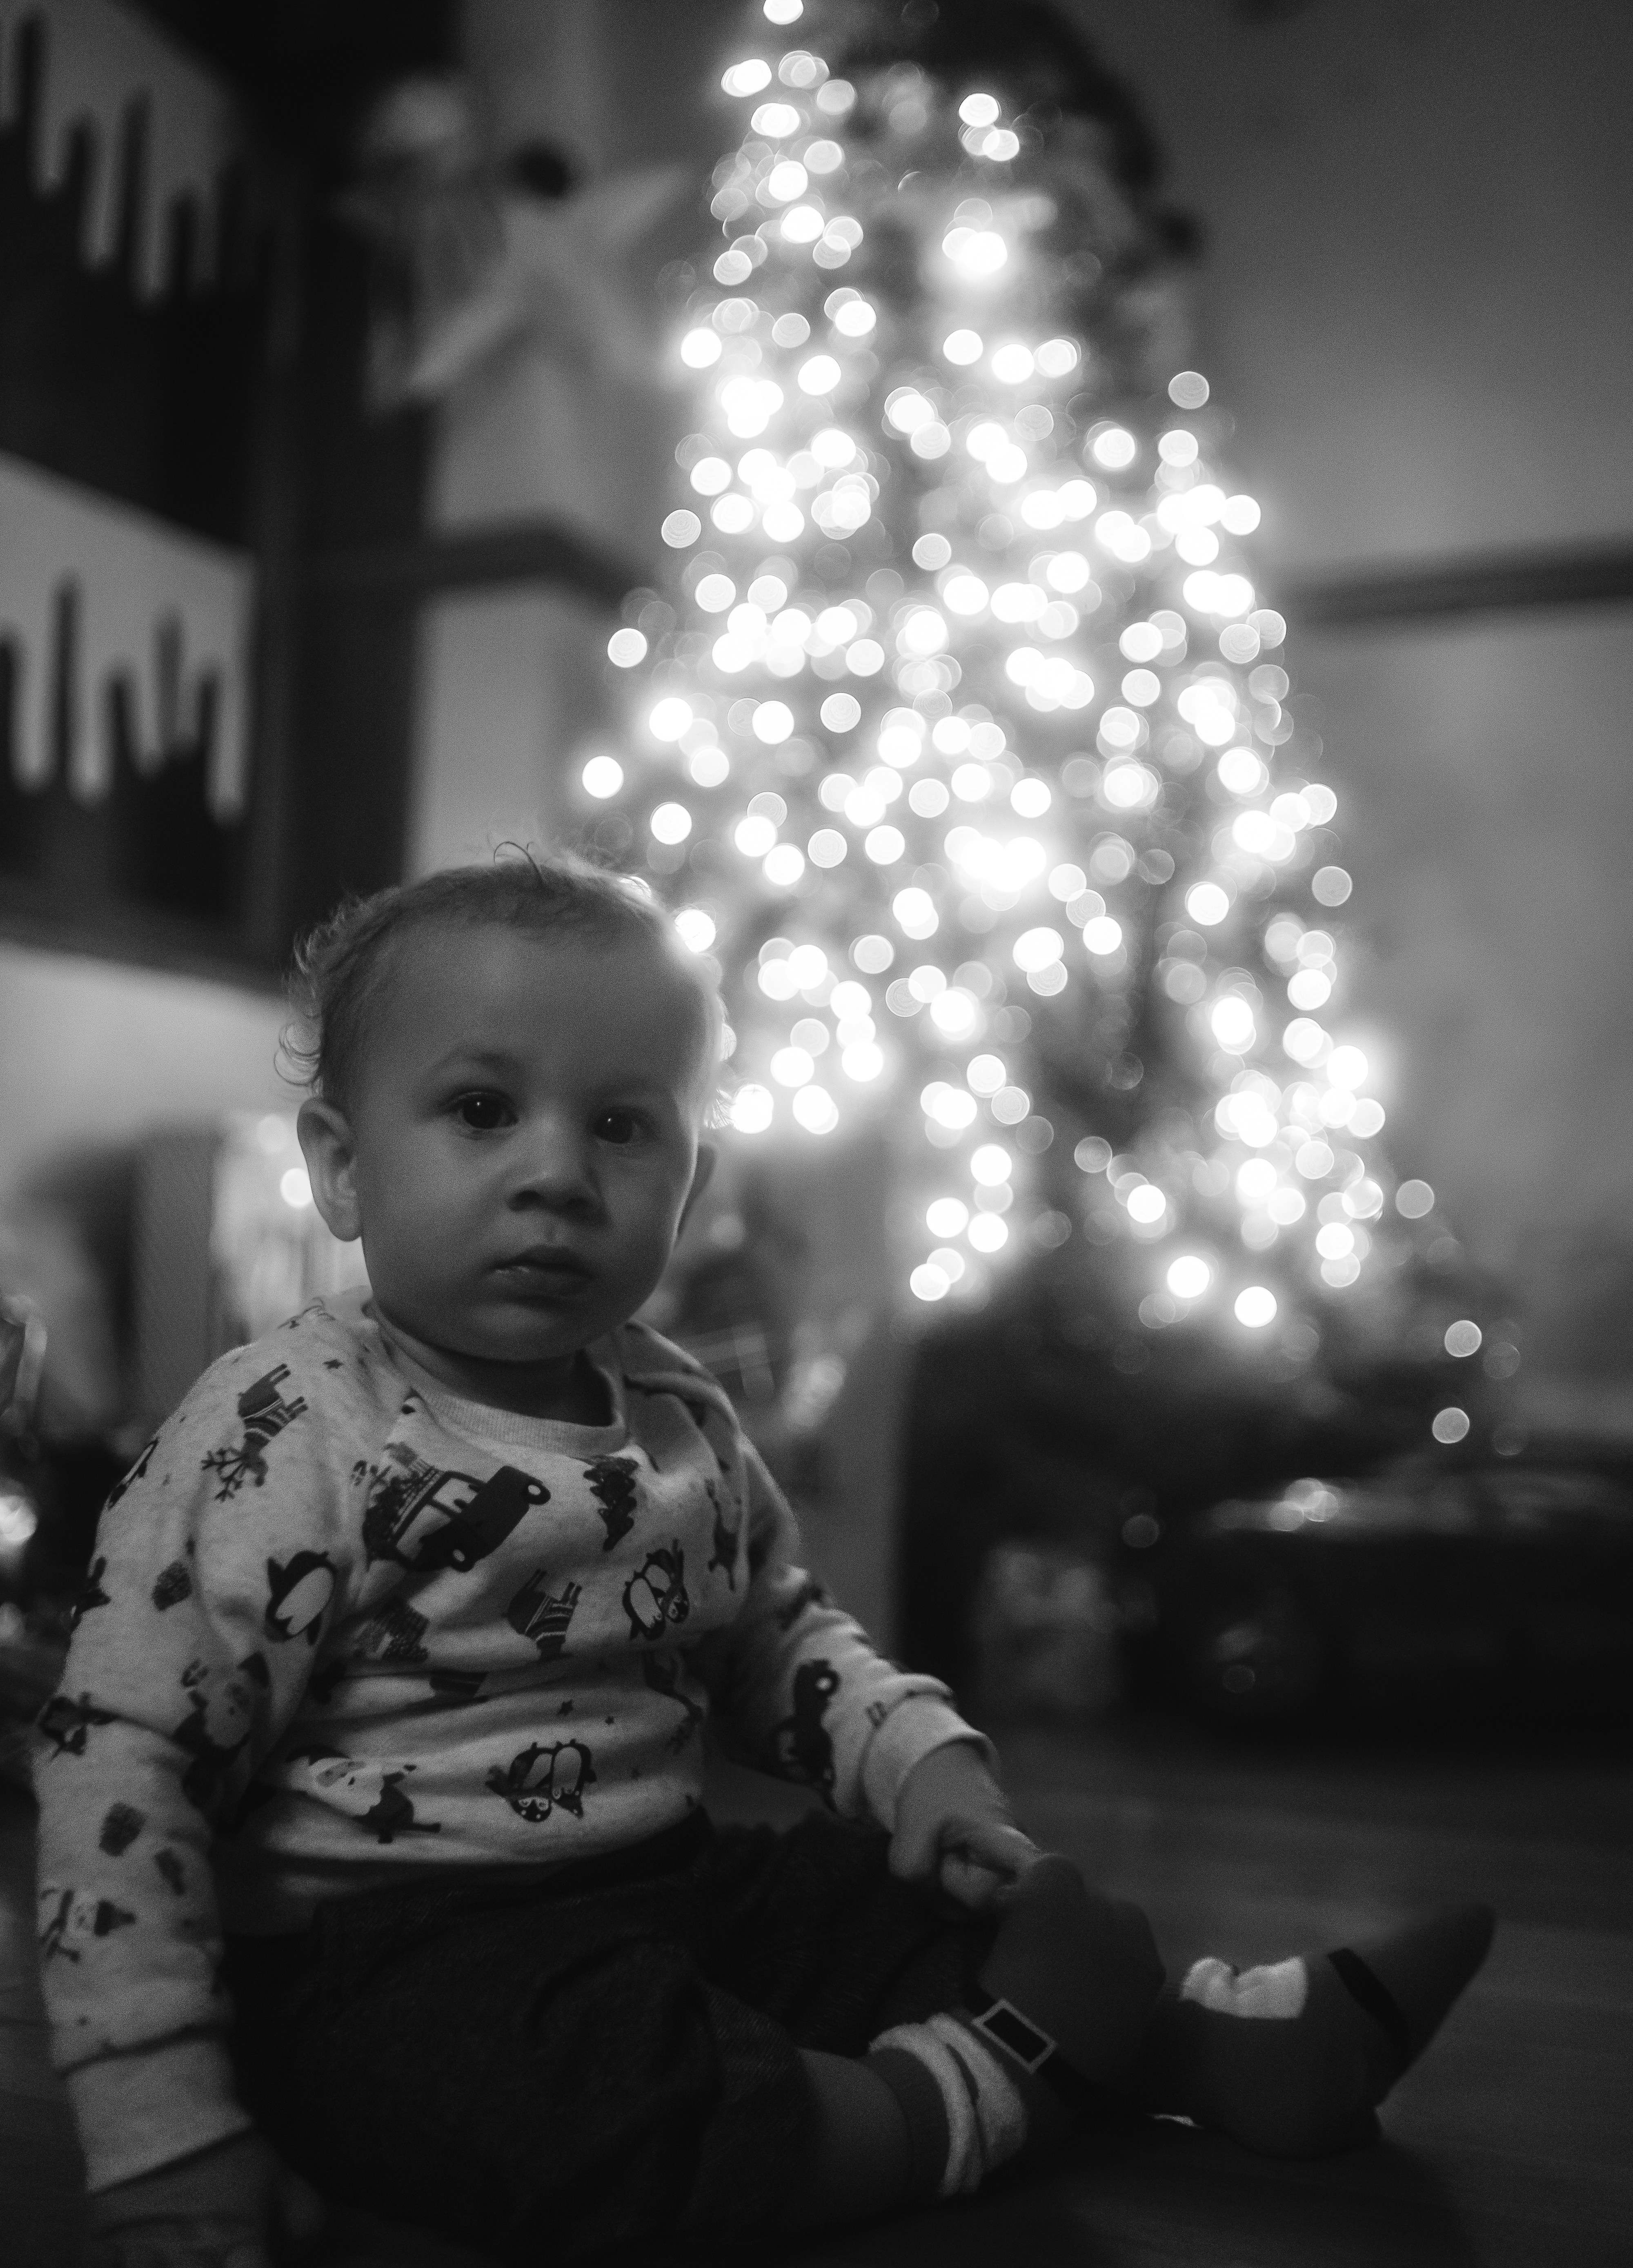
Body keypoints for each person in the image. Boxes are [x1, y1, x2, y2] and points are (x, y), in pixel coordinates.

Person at [33, 855, 1493, 2267]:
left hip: (665, 1881)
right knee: (620, 2110)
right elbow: (124, 1763)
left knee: (910, 1906)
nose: (556, 1172)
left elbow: (777, 1639)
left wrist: (920, 1761)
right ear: (342, 1171)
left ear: (692, 1179)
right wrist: (163, 2130)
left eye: (622, 1127)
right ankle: (980, 2092)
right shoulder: (280, 1428)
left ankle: (1221, 2044)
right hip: (385, 1964)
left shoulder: (674, 1412)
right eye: (482, 1109)